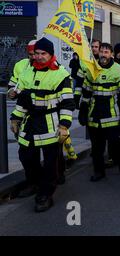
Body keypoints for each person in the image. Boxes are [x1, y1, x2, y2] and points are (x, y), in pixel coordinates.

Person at [10, 38, 75, 212]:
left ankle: (45, 194)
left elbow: (68, 103)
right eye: (36, 53)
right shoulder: (27, 73)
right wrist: (15, 118)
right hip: (29, 123)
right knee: (26, 157)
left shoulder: (61, 75)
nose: (39, 57)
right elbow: (22, 100)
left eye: (43, 54)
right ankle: (33, 183)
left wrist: (64, 126)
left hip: (49, 123)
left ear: (51, 54)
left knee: (50, 163)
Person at [78, 43, 120, 182]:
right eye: (101, 52)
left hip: (112, 114)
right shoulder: (91, 69)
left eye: (106, 52)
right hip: (94, 114)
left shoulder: (119, 71)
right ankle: (98, 171)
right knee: (96, 147)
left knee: (114, 143)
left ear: (111, 54)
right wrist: (82, 111)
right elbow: (86, 92)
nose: (103, 55)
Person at [74, 39, 101, 108]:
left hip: (100, 94)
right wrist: (77, 97)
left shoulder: (103, 61)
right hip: (86, 94)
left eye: (96, 47)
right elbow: (79, 81)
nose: (94, 48)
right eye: (92, 47)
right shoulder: (84, 61)